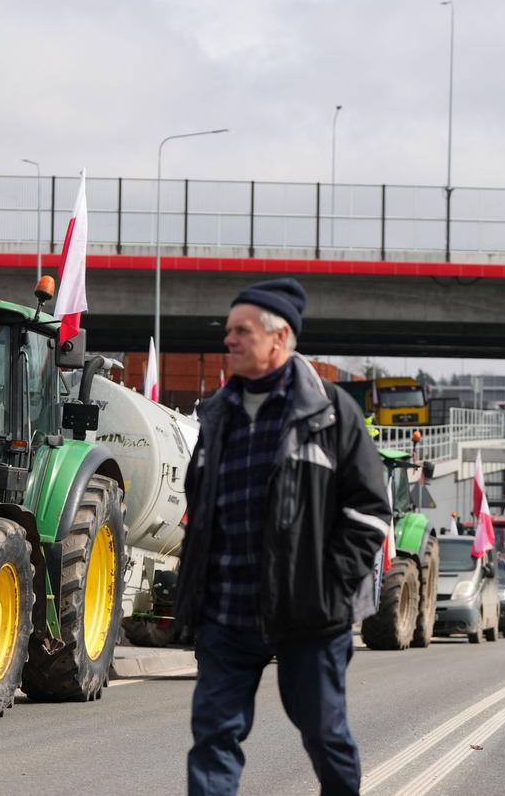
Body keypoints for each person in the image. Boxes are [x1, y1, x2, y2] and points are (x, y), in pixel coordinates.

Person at [174, 277, 391, 796]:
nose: (229, 341)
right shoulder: (218, 415)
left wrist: (327, 590)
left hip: (308, 618)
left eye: (241, 331)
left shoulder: (332, 413)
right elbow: (201, 509)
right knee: (213, 740)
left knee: (324, 736)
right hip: (227, 615)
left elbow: (370, 513)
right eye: (228, 330)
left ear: (279, 338)